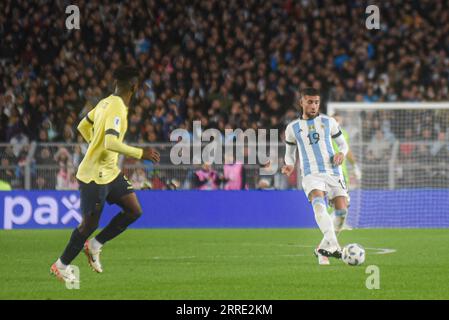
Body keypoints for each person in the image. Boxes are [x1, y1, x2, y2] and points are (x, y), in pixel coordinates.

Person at [50, 66, 160, 283]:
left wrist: (95, 144)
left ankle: (95, 245)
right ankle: (61, 265)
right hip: (93, 175)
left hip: (110, 172)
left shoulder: (104, 102)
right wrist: (141, 153)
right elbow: (110, 142)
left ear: (116, 85)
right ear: (135, 87)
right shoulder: (117, 108)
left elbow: (82, 126)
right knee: (89, 225)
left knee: (133, 210)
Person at [282, 88, 349, 266]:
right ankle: (334, 245)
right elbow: (289, 153)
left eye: (316, 102)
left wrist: (341, 154)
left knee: (341, 212)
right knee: (319, 204)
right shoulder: (292, 128)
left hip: (333, 171)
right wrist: (289, 165)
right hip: (311, 173)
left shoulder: (329, 122)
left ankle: (322, 249)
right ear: (301, 102)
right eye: (310, 102)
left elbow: (343, 145)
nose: (313, 106)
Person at [327, 113, 362, 231]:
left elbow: (348, 151)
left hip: (343, 171)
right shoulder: (325, 133)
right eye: (335, 120)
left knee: (343, 196)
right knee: (336, 196)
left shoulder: (343, 134)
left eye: (339, 120)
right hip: (330, 169)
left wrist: (355, 166)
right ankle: (334, 222)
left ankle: (339, 222)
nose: (337, 122)